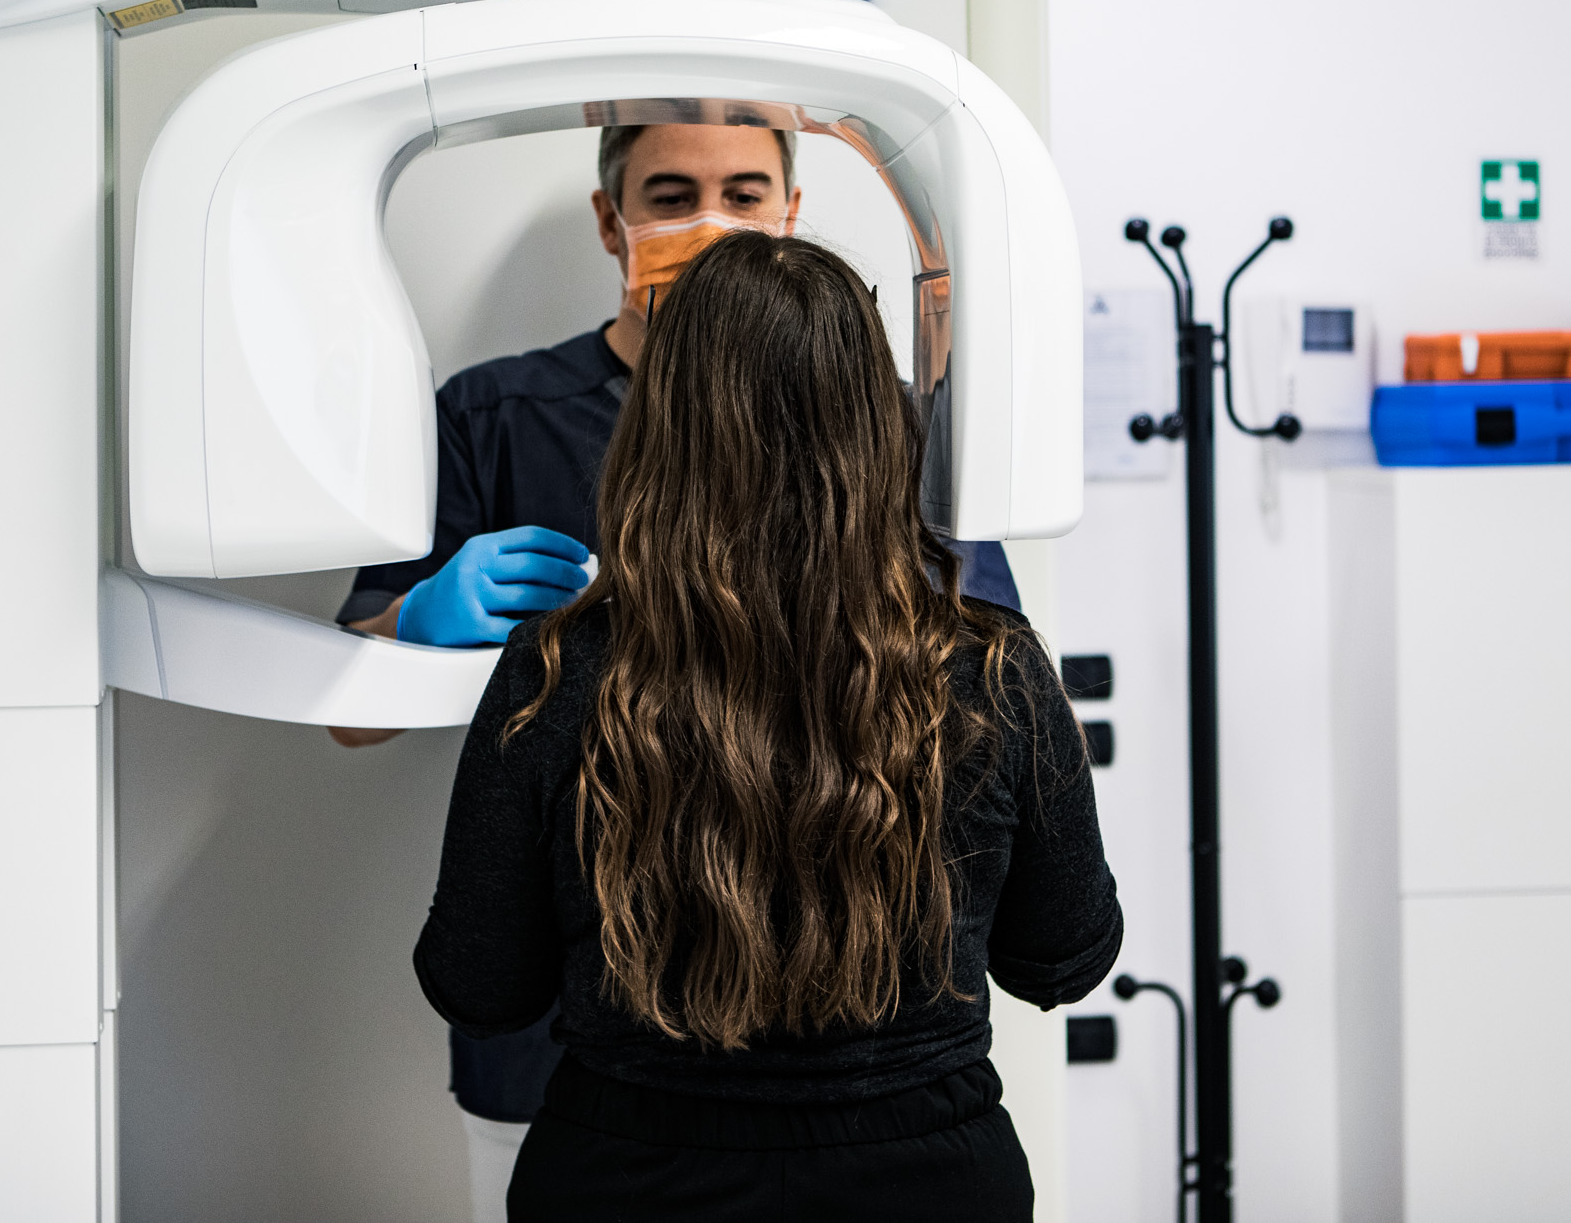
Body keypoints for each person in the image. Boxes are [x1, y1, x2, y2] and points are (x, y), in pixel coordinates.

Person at [329, 102, 1025, 1214]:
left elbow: (988, 684)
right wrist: (413, 619)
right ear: (610, 219)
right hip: (562, 1040)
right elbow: (349, 715)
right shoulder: (496, 416)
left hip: (860, 1043)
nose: (710, 221)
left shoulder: (885, 425)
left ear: (790, 212)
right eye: (670, 196)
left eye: (743, 193)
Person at [415, 231, 1122, 1221]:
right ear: (883, 424)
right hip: (924, 1182)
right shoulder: (991, 667)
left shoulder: (556, 670)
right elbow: (1063, 957)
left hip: (627, 1180)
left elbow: (479, 985)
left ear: (659, 427)